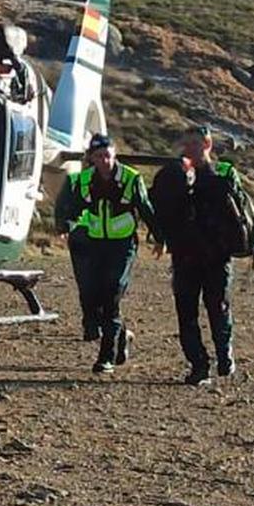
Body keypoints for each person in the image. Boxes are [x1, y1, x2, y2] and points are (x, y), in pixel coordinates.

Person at [151, 126, 254, 386]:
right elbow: (161, 209)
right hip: (185, 256)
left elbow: (239, 209)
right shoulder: (174, 176)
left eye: (195, 143)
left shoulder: (223, 174)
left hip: (216, 255)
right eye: (186, 144)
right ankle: (198, 365)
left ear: (207, 144)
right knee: (186, 313)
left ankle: (224, 353)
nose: (189, 149)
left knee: (218, 308)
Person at [55, 133, 160, 374]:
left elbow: (146, 209)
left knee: (112, 295)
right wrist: (64, 226)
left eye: (109, 156)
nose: (105, 161)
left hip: (122, 246)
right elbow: (69, 207)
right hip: (95, 244)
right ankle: (121, 335)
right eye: (100, 156)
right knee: (93, 298)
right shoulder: (82, 181)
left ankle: (106, 358)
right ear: (91, 158)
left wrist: (159, 238)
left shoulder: (131, 179)